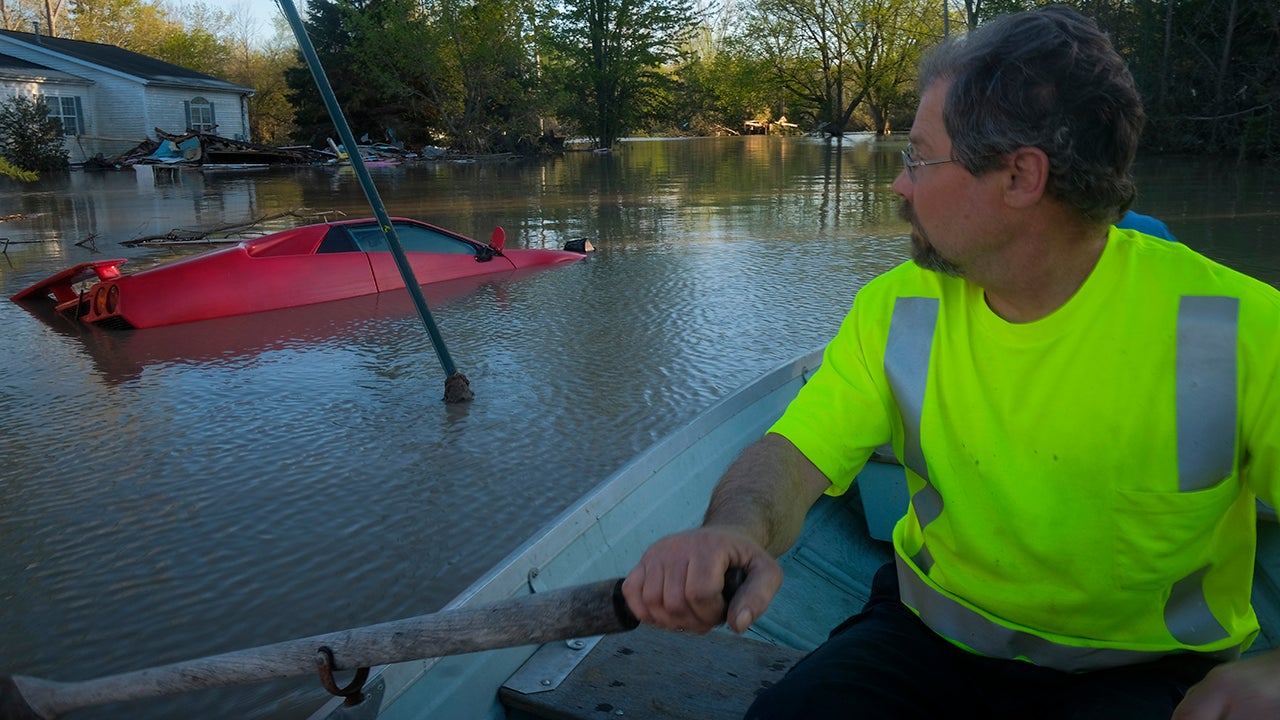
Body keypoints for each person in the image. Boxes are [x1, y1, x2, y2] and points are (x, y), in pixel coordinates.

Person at [620, 6, 1280, 719]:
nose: (899, 186)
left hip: (1146, 673)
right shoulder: (898, 307)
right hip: (926, 637)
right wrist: (735, 529)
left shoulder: (1241, 330)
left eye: (918, 159)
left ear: (1020, 177)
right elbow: (794, 453)